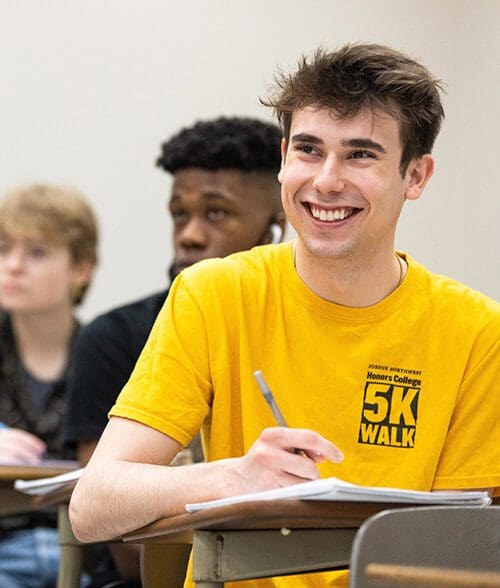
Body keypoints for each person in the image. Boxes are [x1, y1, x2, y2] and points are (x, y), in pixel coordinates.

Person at [69, 44, 500, 588]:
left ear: (416, 176)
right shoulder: (213, 293)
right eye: (309, 150)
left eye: (360, 155)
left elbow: (460, 548)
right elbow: (92, 505)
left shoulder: (477, 332)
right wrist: (236, 476)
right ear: (283, 159)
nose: (325, 180)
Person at [64, 116, 285, 585]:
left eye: (216, 213)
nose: (189, 234)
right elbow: (120, 537)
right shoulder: (112, 337)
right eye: (179, 214)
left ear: (275, 227)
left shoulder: (300, 329)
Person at [0, 183, 98, 588]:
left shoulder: (104, 352)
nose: (14, 266)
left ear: (81, 268)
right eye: (4, 249)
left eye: (36, 252)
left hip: (90, 553)